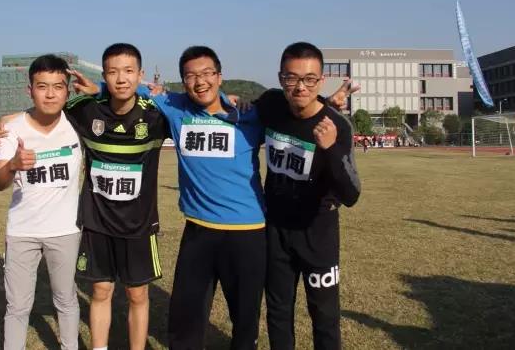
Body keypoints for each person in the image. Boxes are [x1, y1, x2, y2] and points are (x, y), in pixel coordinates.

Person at [76, 45, 360, 349]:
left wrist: (327, 105)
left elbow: (298, 110)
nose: (200, 81)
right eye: (191, 76)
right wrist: (100, 88)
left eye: (208, 73)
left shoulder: (250, 114)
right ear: (183, 81)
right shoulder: (175, 107)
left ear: (220, 77)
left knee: (246, 323)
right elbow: (131, 87)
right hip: (198, 230)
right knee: (185, 322)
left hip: (248, 233)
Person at [0, 44, 168, 350]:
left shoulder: (156, 115)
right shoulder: (86, 111)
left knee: (137, 294)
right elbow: (46, 109)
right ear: (104, 75)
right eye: (112, 72)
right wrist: (7, 122)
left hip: (138, 225)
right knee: (100, 291)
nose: (121, 78)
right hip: (97, 223)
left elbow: (190, 108)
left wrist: (226, 100)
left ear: (140, 74)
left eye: (129, 71)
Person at [253, 42, 361, 350]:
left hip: (318, 233)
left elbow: (351, 194)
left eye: (310, 79)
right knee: (278, 311)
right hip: (276, 230)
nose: (300, 86)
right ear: (280, 78)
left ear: (321, 80)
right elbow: (245, 110)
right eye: (291, 78)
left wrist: (330, 149)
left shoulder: (336, 126)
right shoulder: (271, 105)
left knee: (324, 316)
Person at [0, 54, 82, 350]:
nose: (50, 94)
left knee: (66, 300)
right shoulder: (12, 129)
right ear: (29, 90)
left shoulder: (77, 125)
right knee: (17, 306)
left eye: (58, 86)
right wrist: (13, 164)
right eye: (42, 86)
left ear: (67, 91)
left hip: (65, 230)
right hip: (22, 231)